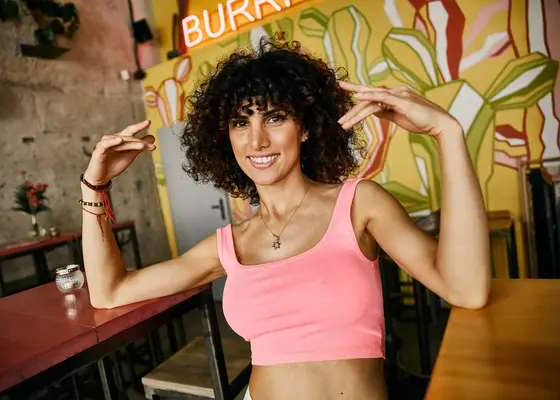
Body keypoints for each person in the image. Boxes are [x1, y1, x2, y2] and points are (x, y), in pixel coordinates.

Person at [80, 38, 490, 400]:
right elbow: (109, 293)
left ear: (306, 128)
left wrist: (446, 133)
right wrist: (93, 188)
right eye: (241, 122)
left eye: (274, 117)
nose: (256, 139)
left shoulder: (359, 205)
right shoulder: (229, 244)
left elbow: (466, 290)